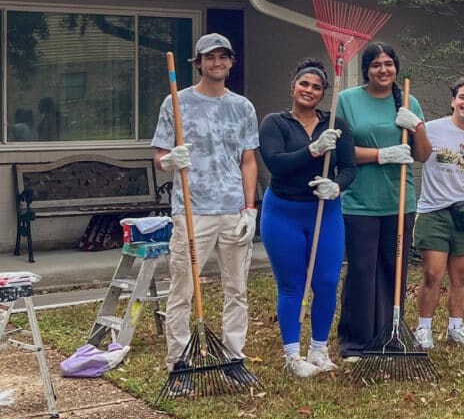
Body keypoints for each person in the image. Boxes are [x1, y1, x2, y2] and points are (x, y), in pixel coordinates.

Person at [151, 33, 260, 392]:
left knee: (237, 288)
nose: (216, 63)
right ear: (198, 63)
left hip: (232, 209)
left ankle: (234, 358)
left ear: (231, 62)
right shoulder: (177, 103)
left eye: (222, 57)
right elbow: (159, 157)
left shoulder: (242, 107)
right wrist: (170, 160)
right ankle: (179, 363)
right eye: (209, 57)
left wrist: (249, 208)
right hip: (192, 210)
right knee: (182, 289)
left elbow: (248, 160)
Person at [258, 58, 356, 376]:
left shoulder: (336, 125)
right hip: (283, 213)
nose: (309, 90)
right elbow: (276, 163)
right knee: (293, 285)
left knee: (326, 282)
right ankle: (292, 355)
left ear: (323, 92)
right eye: (304, 84)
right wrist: (313, 150)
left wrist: (336, 186)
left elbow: (349, 168)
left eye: (316, 87)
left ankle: (318, 349)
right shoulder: (275, 123)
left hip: (324, 212)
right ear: (293, 87)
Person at [335, 42, 432, 360]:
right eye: (376, 64)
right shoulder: (347, 100)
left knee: (394, 270)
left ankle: (388, 335)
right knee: (362, 270)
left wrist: (417, 127)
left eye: (388, 63)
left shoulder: (408, 101)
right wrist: (382, 155)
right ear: (366, 69)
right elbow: (340, 152)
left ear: (396, 68)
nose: (383, 70)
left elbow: (423, 154)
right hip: (359, 201)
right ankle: (355, 342)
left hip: (398, 201)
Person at [412, 77, 464, 348]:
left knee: (461, 275)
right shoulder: (432, 129)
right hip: (434, 211)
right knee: (433, 273)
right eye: (463, 97)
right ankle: (424, 327)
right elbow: (416, 155)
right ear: (453, 100)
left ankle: (456, 327)